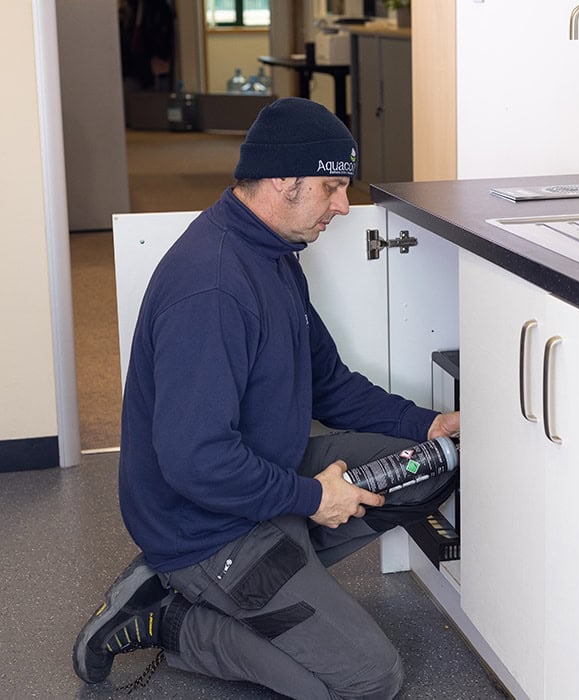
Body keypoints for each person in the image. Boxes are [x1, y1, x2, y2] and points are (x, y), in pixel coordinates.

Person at [71, 97, 459, 699]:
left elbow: (327, 382)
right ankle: (168, 619)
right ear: (284, 180)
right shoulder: (214, 285)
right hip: (204, 527)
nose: (343, 206)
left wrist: (430, 422)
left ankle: (274, 577)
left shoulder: (274, 255)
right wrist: (311, 498)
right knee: (367, 679)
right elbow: (195, 459)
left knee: (432, 469)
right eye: (332, 187)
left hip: (265, 475)